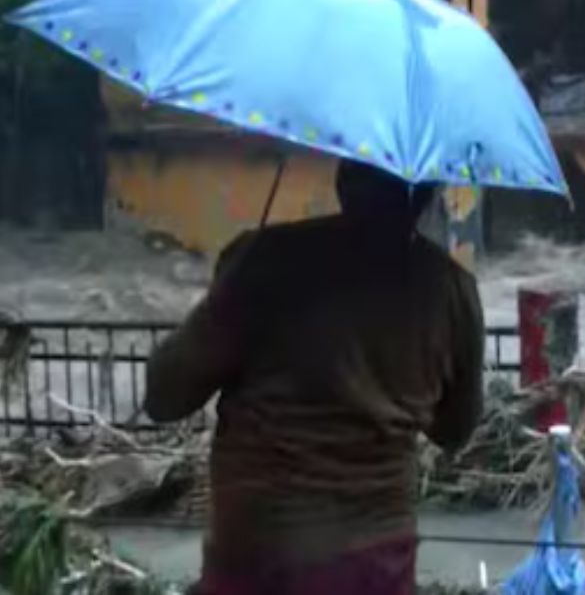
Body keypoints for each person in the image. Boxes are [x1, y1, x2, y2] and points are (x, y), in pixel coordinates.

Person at [145, 160, 484, 595]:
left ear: (343, 181)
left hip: (258, 552)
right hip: (376, 561)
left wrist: (226, 292)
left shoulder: (263, 259)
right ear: (429, 194)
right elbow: (456, 429)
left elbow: (164, 397)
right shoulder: (451, 289)